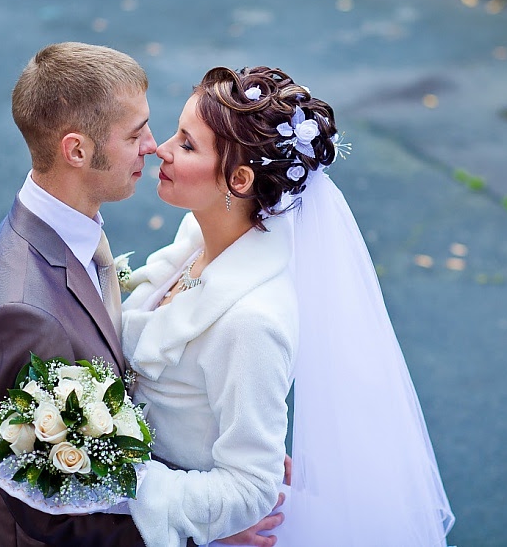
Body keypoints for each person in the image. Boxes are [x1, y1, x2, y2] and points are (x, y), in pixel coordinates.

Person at [0, 43, 284, 547]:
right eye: (136, 134)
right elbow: (49, 506)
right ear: (77, 151)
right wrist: (206, 530)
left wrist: (208, 437)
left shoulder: (75, 234)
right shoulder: (22, 312)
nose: (154, 147)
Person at [121, 66, 455, 546]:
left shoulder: (251, 322)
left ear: (237, 179)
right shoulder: (201, 241)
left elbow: (251, 489)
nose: (161, 149)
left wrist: (117, 485)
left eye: (187, 145)